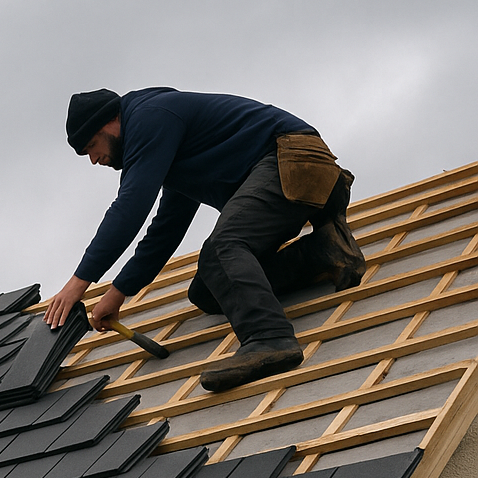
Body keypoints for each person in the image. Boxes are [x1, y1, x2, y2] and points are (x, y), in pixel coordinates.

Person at [43, 88, 366, 392]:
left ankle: (270, 340)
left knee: (223, 247)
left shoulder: (150, 116)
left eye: (91, 147)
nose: (94, 159)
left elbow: (130, 207)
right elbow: (166, 230)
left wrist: (77, 285)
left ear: (111, 123)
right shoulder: (170, 146)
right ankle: (324, 251)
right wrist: (118, 293)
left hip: (295, 162)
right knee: (210, 290)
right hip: (293, 179)